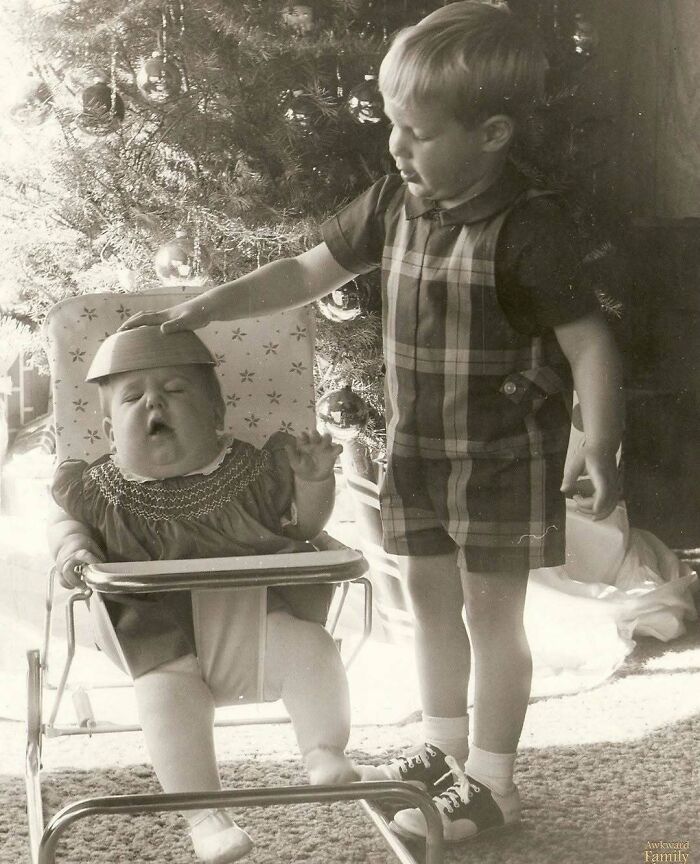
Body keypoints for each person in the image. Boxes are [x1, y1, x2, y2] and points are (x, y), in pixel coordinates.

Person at [120, 1, 624, 846]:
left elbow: (590, 340)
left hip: (501, 457)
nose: (397, 146)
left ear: (493, 133)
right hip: (417, 453)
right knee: (426, 602)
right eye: (392, 124)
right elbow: (305, 270)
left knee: (492, 616)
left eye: (418, 132)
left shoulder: (531, 228)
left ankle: (493, 780)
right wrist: (216, 304)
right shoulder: (392, 202)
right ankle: (443, 748)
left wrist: (599, 440)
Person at [47, 326, 358, 864]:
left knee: (314, 652)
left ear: (217, 416)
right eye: (132, 397)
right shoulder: (96, 489)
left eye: (175, 390)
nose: (154, 403)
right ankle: (205, 815)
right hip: (156, 639)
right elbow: (62, 522)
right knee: (165, 698)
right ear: (107, 429)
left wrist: (314, 484)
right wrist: (74, 549)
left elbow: (304, 526)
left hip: (260, 620)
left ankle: (324, 750)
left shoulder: (254, 472)